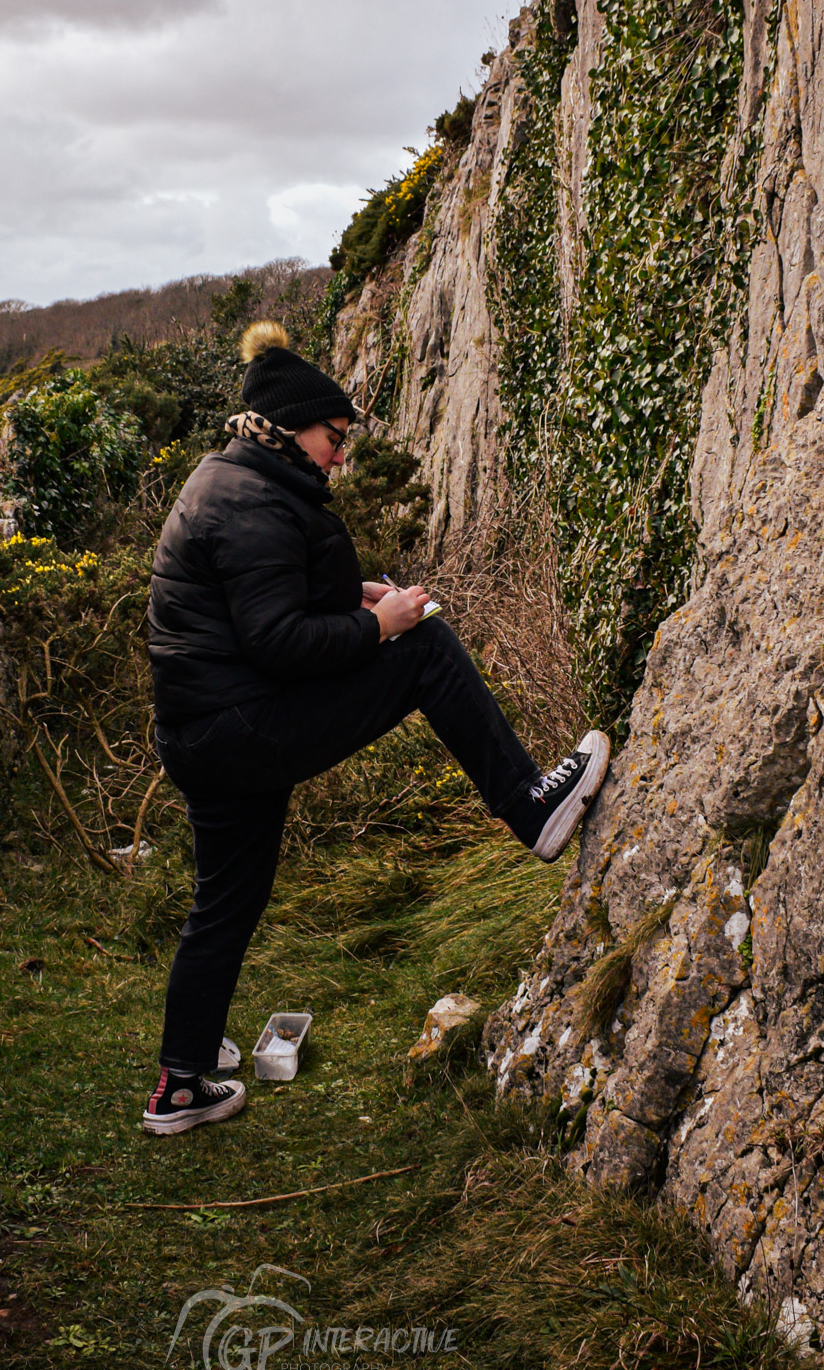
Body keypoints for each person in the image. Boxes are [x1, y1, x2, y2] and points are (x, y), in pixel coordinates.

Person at [138, 321, 610, 1135]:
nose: (341, 454)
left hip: (204, 735)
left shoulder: (232, 479)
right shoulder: (252, 497)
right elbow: (276, 642)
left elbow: (260, 605)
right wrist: (385, 625)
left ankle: (181, 1079)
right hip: (240, 729)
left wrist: (350, 597)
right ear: (292, 426)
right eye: (335, 436)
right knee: (426, 646)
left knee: (227, 899)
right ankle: (531, 807)